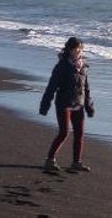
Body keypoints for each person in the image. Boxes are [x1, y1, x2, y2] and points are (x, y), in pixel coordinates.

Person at [39, 36, 95, 172]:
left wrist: (89, 106)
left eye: (81, 50)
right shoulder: (62, 66)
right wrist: (45, 105)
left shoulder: (84, 67)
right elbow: (51, 87)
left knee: (80, 133)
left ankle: (76, 162)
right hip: (64, 103)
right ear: (69, 50)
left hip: (79, 103)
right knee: (64, 132)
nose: (79, 52)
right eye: (76, 49)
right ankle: (49, 160)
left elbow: (86, 88)